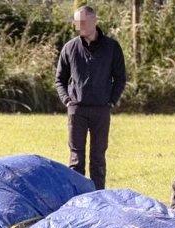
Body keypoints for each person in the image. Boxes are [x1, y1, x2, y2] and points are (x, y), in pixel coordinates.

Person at [55, 5, 127, 190]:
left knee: (98, 158)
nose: (79, 26)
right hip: (77, 110)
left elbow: (120, 78)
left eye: (83, 22)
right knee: (76, 158)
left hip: (101, 110)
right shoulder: (70, 48)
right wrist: (67, 100)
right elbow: (60, 79)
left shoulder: (112, 47)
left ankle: (98, 197)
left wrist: (111, 100)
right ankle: (76, 199)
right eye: (77, 22)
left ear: (95, 21)